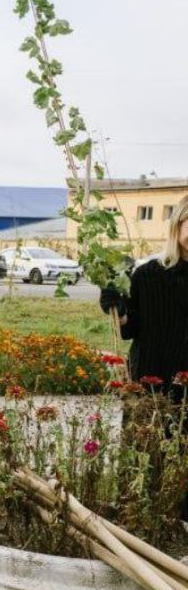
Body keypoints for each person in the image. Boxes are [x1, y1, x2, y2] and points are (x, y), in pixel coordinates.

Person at [100, 193, 188, 518]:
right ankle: (139, 520)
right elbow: (131, 327)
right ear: (177, 224)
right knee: (143, 462)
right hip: (150, 383)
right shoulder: (147, 274)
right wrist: (118, 309)